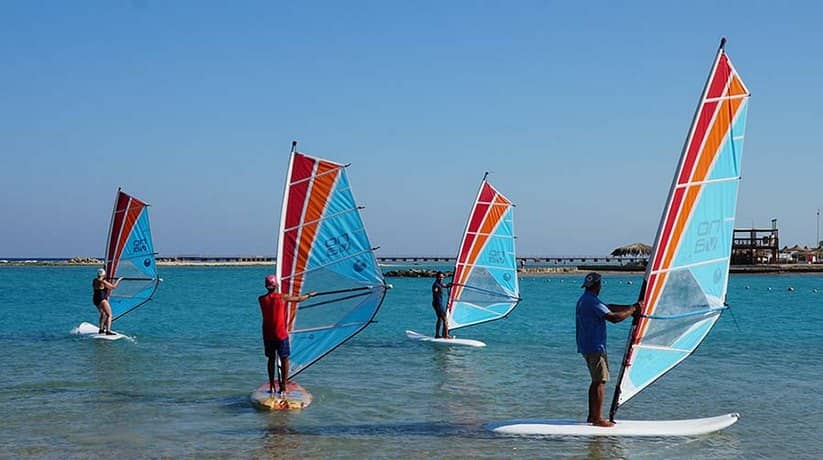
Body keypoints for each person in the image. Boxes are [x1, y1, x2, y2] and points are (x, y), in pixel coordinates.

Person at [575, 272, 642, 427]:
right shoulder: (591, 301)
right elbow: (614, 318)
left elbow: (608, 307)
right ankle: (597, 419)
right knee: (600, 381)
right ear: (599, 285)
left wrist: (633, 308)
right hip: (594, 346)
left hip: (586, 345)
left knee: (596, 381)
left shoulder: (585, 300)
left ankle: (592, 416)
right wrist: (633, 309)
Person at [258, 275, 316, 395]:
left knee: (271, 359)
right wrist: (309, 295)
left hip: (267, 334)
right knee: (284, 359)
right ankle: (283, 386)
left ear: (266, 286)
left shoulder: (261, 299)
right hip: (280, 334)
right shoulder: (282, 297)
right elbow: (299, 299)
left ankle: (272, 385)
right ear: (276, 285)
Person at [92, 268, 122, 335]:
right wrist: (119, 280)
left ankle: (101, 329)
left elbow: (100, 287)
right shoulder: (103, 282)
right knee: (109, 315)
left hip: (95, 299)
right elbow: (113, 287)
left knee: (103, 314)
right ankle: (108, 331)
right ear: (104, 274)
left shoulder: (94, 280)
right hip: (102, 299)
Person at [431, 271, 453, 338]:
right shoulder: (436, 285)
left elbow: (445, 285)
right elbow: (435, 290)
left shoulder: (440, 284)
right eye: (439, 277)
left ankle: (437, 335)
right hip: (438, 304)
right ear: (436, 277)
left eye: (442, 277)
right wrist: (435, 291)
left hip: (436, 303)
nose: (441, 278)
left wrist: (449, 285)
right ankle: (446, 336)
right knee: (445, 320)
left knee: (439, 319)